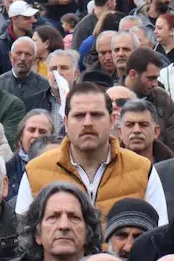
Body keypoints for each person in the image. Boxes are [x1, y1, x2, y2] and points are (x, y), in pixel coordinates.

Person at [24, 82, 165, 222]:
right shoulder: (35, 171)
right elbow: (25, 237)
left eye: (96, 115)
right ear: (65, 123)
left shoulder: (142, 169)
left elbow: (158, 234)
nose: (87, 123)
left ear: (112, 120)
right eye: (79, 115)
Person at [1, 181, 100, 261]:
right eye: (53, 217)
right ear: (37, 234)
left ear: (88, 232)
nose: (64, 226)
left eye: (74, 217)